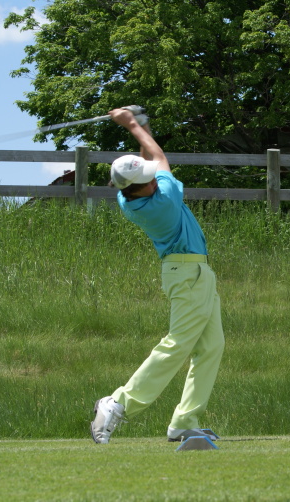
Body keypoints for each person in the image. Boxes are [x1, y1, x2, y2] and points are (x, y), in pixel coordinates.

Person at [90, 107, 225, 444]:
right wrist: (132, 124)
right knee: (178, 343)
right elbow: (159, 157)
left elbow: (149, 161)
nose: (153, 179)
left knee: (211, 346)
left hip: (193, 272)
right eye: (147, 180)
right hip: (188, 273)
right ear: (136, 188)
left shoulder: (130, 196)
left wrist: (142, 126)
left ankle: (184, 421)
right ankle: (118, 402)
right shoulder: (163, 200)